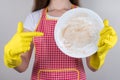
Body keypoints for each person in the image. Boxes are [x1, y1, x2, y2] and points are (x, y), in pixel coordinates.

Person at [4, 0, 118, 80]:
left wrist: (100, 54)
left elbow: (92, 67)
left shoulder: (84, 15)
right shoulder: (34, 18)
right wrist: (13, 58)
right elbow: (22, 66)